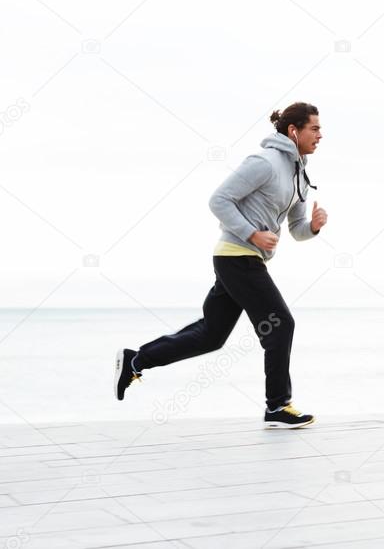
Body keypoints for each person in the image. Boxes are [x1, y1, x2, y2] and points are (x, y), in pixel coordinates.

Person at [113, 102, 327, 429]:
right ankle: (277, 406)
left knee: (211, 335)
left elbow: (296, 231)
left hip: (245, 258)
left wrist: (312, 227)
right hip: (235, 255)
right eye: (315, 128)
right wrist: (252, 234)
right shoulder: (265, 163)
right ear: (294, 131)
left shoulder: (300, 172)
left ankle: (136, 360)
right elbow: (219, 200)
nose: (320, 135)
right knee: (280, 323)